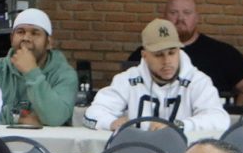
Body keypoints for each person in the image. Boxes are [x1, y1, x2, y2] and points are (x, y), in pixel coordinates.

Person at [89, 18, 230, 139]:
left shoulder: (198, 81)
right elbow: (91, 115)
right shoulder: (127, 80)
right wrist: (111, 123)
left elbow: (220, 120)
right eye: (159, 55)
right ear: (144, 55)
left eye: (172, 52)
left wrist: (179, 125)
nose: (167, 60)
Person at [126, 0, 243, 111]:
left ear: (196, 17)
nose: (180, 18)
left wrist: (237, 112)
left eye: (187, 13)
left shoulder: (222, 53)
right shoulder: (146, 54)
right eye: (173, 13)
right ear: (164, 17)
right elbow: (127, 88)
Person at [0, 8, 79, 127]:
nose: (26, 38)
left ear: (49, 42)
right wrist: (17, 118)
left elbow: (56, 118)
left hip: (51, 144)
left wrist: (31, 72)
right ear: (11, 38)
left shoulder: (65, 75)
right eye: (20, 32)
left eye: (35, 33)